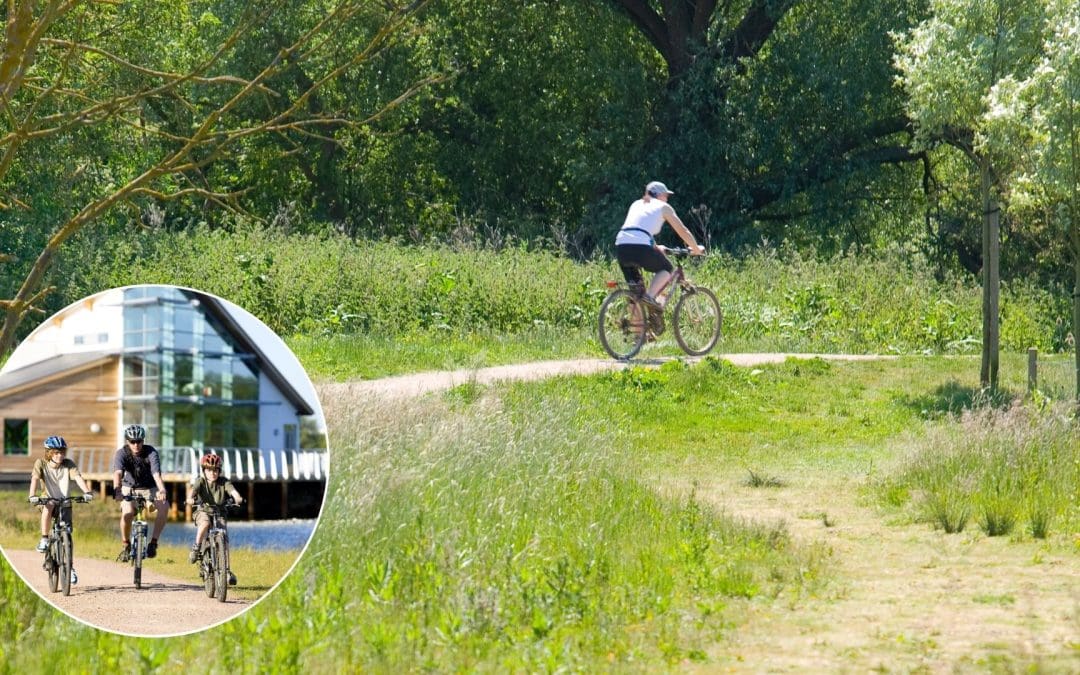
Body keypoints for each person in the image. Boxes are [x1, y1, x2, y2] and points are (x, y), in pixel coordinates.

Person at [614, 181, 705, 306]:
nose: (667, 199)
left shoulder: (636, 204)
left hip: (621, 247)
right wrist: (696, 248)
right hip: (640, 247)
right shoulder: (663, 207)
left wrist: (655, 247)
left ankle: (638, 321)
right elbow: (682, 230)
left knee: (636, 298)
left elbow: (638, 231)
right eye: (666, 195)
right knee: (667, 269)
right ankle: (650, 297)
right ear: (658, 195)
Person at [28, 436, 93, 585]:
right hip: (47, 499)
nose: (60, 455)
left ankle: (70, 568)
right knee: (50, 505)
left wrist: (87, 492)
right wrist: (32, 495)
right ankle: (45, 539)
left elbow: (78, 478)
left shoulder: (68, 464)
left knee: (67, 535)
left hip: (65, 501)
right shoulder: (41, 463)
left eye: (62, 452)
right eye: (56, 452)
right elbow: (35, 479)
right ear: (49, 452)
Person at [111, 424, 169, 561]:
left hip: (150, 487)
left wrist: (162, 489)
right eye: (133, 442)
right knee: (128, 513)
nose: (136, 445)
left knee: (164, 507)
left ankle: (153, 543)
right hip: (128, 487)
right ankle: (126, 545)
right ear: (127, 442)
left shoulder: (151, 452)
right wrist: (117, 490)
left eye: (139, 441)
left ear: (143, 440)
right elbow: (118, 473)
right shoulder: (122, 453)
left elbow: (156, 474)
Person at [187, 452, 243, 585]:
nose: (213, 473)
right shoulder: (200, 481)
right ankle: (196, 547)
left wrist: (237, 497)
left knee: (224, 536)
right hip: (203, 511)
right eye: (209, 470)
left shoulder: (224, 482)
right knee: (205, 524)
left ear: (219, 471)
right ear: (204, 471)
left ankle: (226, 570)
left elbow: (232, 490)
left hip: (220, 512)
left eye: (216, 470)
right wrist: (190, 498)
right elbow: (193, 491)